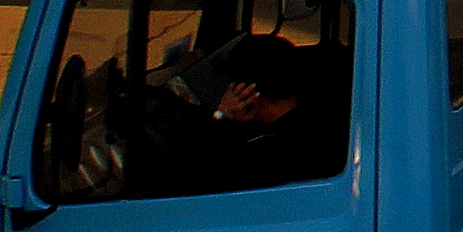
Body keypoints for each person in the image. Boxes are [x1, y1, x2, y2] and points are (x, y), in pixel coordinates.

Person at [146, 35, 346, 197]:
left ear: (246, 90)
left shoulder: (267, 154)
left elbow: (195, 178)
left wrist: (221, 116)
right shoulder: (325, 117)